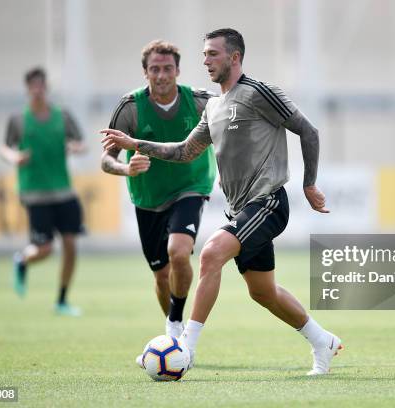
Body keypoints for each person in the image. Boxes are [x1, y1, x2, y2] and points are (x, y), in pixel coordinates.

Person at [102, 28, 342, 375]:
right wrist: (134, 143)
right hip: (239, 209)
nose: (205, 60)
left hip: (269, 202)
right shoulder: (213, 106)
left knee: (212, 253)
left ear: (235, 57)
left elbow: (308, 130)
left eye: (212, 54)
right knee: (263, 292)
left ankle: (185, 347)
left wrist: (309, 184)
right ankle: (323, 341)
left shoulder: (259, 92)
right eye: (203, 54)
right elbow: (184, 151)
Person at [101, 40, 216, 338]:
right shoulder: (130, 108)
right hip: (148, 199)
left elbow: (233, 128)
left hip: (191, 187)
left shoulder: (201, 102)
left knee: (179, 252)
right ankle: (174, 333)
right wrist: (127, 169)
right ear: (145, 72)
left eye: (167, 68)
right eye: (155, 69)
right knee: (161, 273)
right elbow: (106, 160)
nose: (162, 75)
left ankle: (177, 325)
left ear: (178, 70)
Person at [0, 67, 86, 316]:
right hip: (35, 193)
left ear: (46, 87)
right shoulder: (18, 120)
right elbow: (5, 147)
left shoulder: (63, 116)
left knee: (70, 245)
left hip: (64, 191)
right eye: (33, 86)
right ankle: (22, 260)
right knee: (45, 249)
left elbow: (80, 141)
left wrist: (76, 147)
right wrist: (14, 156)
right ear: (28, 89)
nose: (38, 90)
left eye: (41, 85)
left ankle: (61, 300)